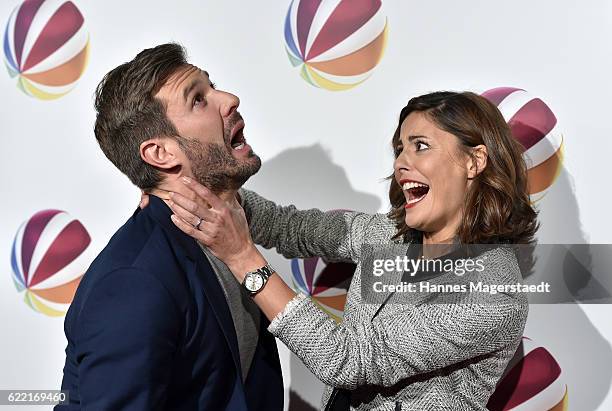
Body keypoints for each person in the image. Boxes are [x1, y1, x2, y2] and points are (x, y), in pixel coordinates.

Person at [166, 91, 537, 410]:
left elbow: (349, 360)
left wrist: (243, 259)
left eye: (420, 146)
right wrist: (188, 185)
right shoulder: (390, 237)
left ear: (475, 161)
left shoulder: (495, 293)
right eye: (399, 149)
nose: (400, 163)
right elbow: (287, 226)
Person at [56, 43, 283, 411]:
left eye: (212, 86)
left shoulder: (222, 226)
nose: (230, 99)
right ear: (161, 154)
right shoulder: (136, 280)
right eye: (198, 99)